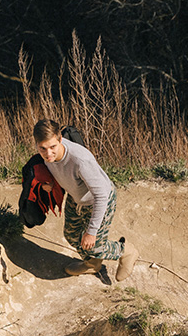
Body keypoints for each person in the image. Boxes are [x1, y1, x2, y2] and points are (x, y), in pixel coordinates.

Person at [32, 119, 138, 281]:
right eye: (43, 149)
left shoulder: (80, 160)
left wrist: (91, 232)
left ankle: (126, 251)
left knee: (93, 244)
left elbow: (102, 195)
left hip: (99, 200)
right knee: (72, 234)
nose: (48, 154)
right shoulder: (47, 153)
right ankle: (92, 264)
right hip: (76, 197)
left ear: (60, 139)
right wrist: (51, 183)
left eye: (53, 147)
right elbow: (57, 167)